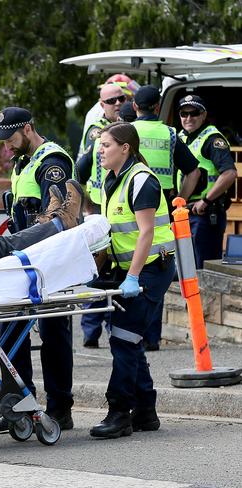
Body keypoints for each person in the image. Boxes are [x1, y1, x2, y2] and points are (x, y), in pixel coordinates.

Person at [0, 106, 76, 433]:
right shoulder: (23, 160)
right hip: (22, 258)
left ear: (27, 128)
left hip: (48, 260)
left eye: (9, 138)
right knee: (9, 328)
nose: (6, 146)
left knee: (53, 335)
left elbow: (54, 216)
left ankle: (60, 408)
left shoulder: (52, 162)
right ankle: (17, 403)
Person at [90, 121, 176, 439]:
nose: (101, 150)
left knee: (123, 339)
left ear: (125, 148)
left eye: (106, 145)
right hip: (131, 270)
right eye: (100, 145)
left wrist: (133, 277)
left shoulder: (141, 181)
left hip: (152, 268)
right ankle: (145, 411)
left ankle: (119, 414)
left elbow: (146, 232)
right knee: (130, 338)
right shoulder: (112, 180)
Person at [132, 85, 200, 351]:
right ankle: (151, 338)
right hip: (162, 210)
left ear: (135, 107)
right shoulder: (170, 134)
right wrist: (178, 200)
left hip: (130, 208)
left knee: (127, 270)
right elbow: (193, 172)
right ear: (158, 107)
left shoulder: (124, 133)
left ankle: (128, 332)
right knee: (158, 266)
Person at [76, 98, 138, 348]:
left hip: (114, 217)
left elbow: (79, 172)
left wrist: (88, 206)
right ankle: (95, 332)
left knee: (101, 277)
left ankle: (93, 332)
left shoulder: (135, 173)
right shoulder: (103, 137)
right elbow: (78, 171)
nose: (102, 150)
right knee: (100, 275)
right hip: (106, 213)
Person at [176, 95, 238, 268]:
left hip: (205, 214)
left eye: (194, 113)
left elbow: (230, 173)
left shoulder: (212, 139)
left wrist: (206, 200)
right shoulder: (180, 137)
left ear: (203, 115)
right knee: (186, 269)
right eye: (184, 113)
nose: (188, 118)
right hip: (184, 212)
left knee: (203, 269)